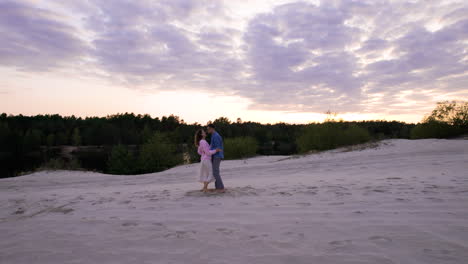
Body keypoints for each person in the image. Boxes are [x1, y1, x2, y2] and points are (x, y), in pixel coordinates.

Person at [207, 124, 225, 191]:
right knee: (215, 172)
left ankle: (221, 188)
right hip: (214, 155)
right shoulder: (213, 135)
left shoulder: (216, 136)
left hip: (217, 156)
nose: (207, 130)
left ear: (212, 129)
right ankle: (218, 187)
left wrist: (210, 151)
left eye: (208, 129)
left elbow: (218, 148)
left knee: (215, 172)